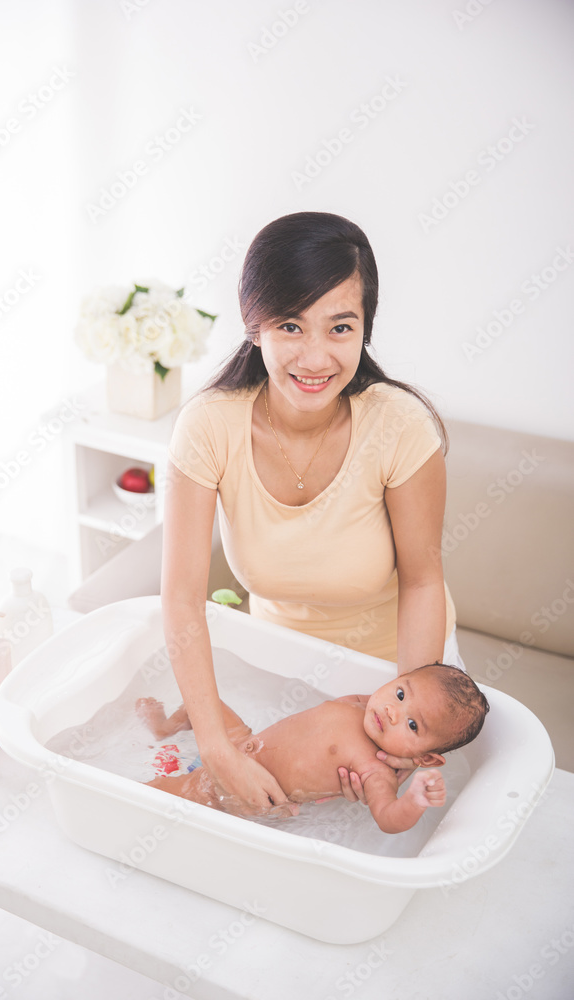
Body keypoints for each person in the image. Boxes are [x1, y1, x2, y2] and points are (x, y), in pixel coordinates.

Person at [162, 211, 460, 817]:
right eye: (292, 325)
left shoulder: (399, 426)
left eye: (340, 327)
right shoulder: (209, 427)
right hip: (274, 662)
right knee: (218, 803)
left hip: (394, 681)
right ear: (256, 326)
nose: (316, 356)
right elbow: (181, 598)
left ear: (365, 330)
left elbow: (424, 580)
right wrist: (217, 748)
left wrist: (399, 734)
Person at [137, 663, 489, 833]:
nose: (392, 711)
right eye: (400, 693)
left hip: (238, 791)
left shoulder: (375, 768)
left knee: (151, 796)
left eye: (412, 725)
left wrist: (413, 800)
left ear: (425, 758)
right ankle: (165, 727)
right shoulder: (363, 705)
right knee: (204, 704)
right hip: (241, 740)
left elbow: (387, 818)